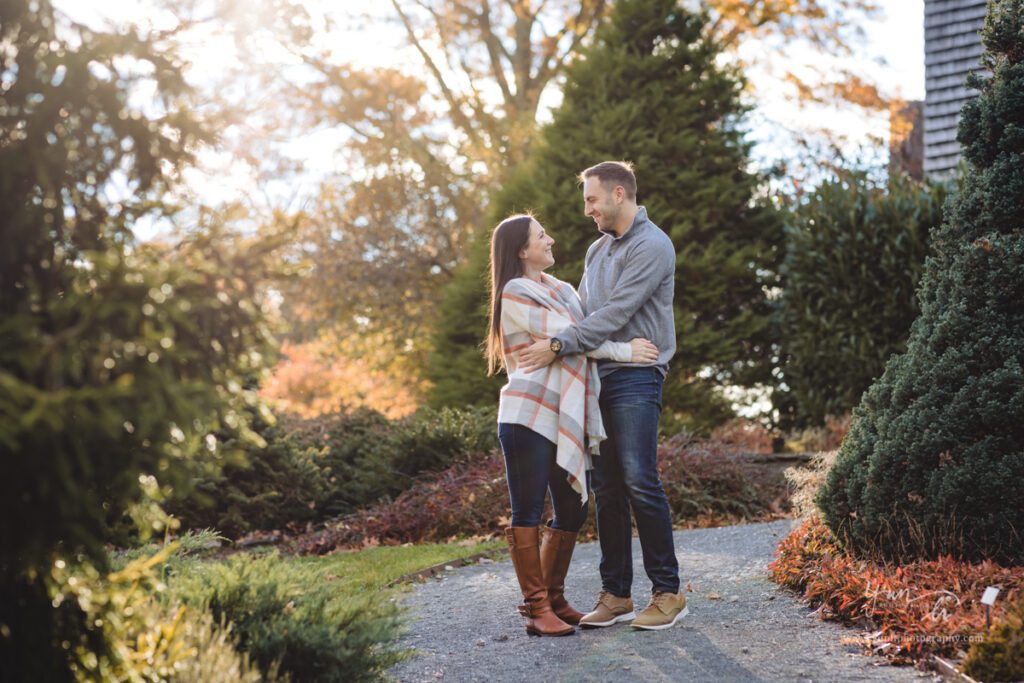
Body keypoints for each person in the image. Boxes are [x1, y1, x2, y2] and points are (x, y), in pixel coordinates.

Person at [518, 161, 687, 631]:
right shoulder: (597, 250)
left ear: (618, 193)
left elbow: (613, 314)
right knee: (607, 487)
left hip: (638, 375)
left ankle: (668, 593)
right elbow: (583, 312)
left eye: (592, 200)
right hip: (597, 375)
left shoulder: (653, 246)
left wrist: (556, 345)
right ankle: (616, 594)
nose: (587, 210)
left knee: (638, 477)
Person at [486, 213, 659, 637]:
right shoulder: (515, 292)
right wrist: (625, 352)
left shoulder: (562, 289)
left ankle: (554, 596)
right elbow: (572, 334)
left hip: (564, 413)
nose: (552, 239)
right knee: (527, 510)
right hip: (527, 414)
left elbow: (580, 333)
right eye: (541, 235)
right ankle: (535, 608)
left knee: (573, 506)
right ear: (522, 250)